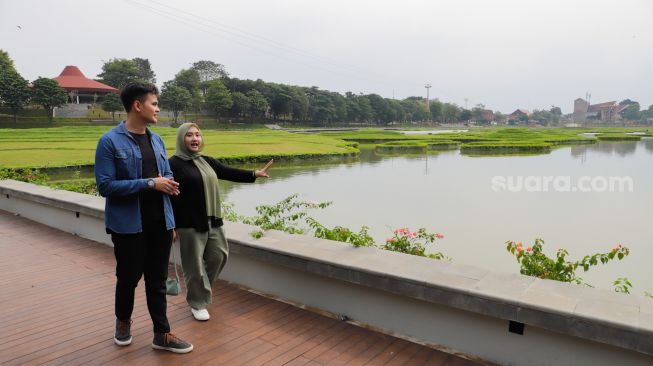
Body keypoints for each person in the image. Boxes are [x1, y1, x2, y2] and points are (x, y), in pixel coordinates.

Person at [94, 83, 193, 353]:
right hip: (128, 226)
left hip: (160, 222)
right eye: (154, 103)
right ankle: (123, 322)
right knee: (128, 278)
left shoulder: (157, 139)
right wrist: (150, 184)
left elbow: (165, 180)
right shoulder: (109, 142)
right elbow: (105, 186)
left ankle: (162, 334)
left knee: (158, 282)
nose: (158, 108)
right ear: (138, 105)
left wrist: (170, 220)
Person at [169, 122, 272, 321]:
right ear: (181, 139)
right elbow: (167, 197)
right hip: (189, 223)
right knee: (194, 266)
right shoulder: (172, 164)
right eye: (189, 135)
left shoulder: (207, 161)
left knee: (219, 256)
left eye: (198, 135)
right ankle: (197, 303)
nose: (195, 139)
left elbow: (227, 172)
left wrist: (254, 174)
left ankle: (199, 290)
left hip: (213, 220)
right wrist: (170, 226)